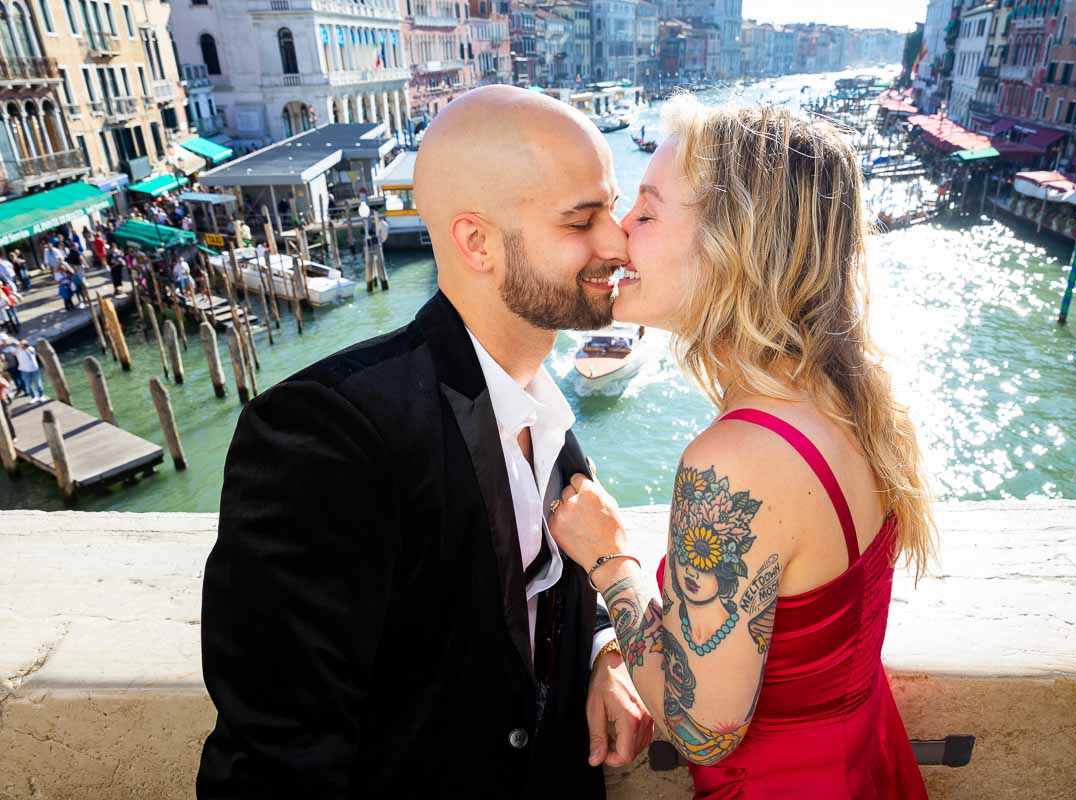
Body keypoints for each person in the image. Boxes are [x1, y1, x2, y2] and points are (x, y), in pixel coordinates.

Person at [196, 85, 652, 799]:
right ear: (477, 242)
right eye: (582, 218)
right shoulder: (324, 435)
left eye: (613, 208)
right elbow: (273, 762)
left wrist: (605, 650)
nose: (618, 240)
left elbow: (546, 600)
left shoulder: (550, 417)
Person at [548, 98, 935, 798]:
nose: (619, 229)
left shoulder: (733, 460)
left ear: (735, 247)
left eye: (648, 209)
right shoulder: (846, 401)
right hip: (865, 765)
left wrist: (610, 562)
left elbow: (700, 726)